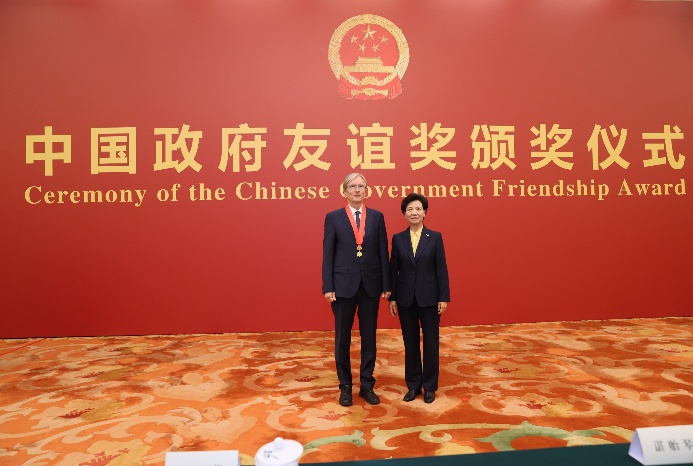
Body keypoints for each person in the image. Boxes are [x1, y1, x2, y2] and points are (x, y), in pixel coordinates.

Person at [322, 173, 391, 407]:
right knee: (342, 337)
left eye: (361, 186)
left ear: (366, 190)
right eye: (352, 186)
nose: (357, 190)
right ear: (344, 191)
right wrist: (328, 286)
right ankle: (345, 385)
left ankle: (367, 384)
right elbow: (328, 254)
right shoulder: (334, 217)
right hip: (342, 286)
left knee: (369, 336)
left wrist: (386, 284)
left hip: (370, 284)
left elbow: (383, 251)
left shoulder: (377, 217)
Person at [389, 193, 450, 404]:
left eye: (418, 209)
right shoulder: (398, 239)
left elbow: (441, 269)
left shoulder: (435, 237)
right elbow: (394, 270)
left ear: (425, 212)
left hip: (430, 297)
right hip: (405, 298)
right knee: (410, 342)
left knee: (431, 342)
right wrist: (392, 297)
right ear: (404, 214)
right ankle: (413, 385)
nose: (414, 213)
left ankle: (430, 386)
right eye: (410, 209)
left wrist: (443, 297)